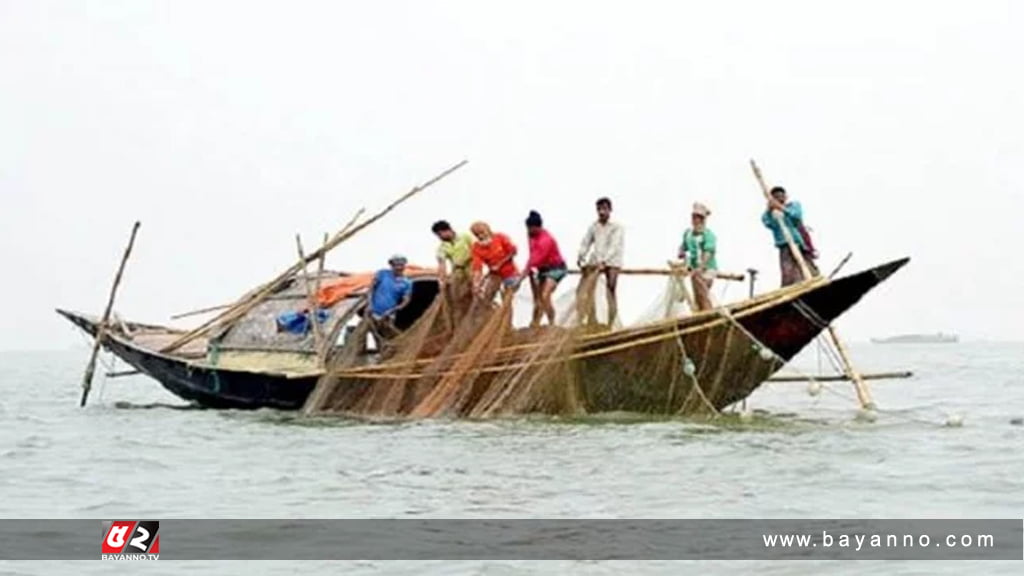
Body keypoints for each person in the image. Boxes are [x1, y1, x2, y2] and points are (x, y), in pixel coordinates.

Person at [576, 197, 624, 327]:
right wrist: (581, 256)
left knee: (611, 288)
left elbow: (614, 247)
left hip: (612, 261)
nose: (602, 212)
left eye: (604, 209)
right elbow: (586, 242)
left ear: (610, 210)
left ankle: (611, 322)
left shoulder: (617, 227)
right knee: (588, 288)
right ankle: (592, 319)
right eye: (599, 209)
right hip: (596, 260)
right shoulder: (594, 226)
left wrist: (604, 261)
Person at [761, 186, 820, 286]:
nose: (780, 199)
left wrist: (782, 209)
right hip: (783, 244)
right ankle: (791, 287)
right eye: (776, 197)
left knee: (806, 265)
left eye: (781, 196)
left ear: (785, 196)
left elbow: (797, 217)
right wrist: (770, 210)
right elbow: (768, 223)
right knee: (788, 271)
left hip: (798, 242)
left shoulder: (793, 205)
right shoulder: (770, 213)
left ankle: (812, 282)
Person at [520, 210, 568, 328]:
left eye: (531, 228)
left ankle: (552, 322)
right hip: (542, 269)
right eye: (528, 228)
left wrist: (521, 276)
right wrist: (531, 272)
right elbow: (532, 253)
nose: (529, 231)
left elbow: (534, 259)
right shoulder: (530, 235)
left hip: (556, 268)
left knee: (545, 295)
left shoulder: (546, 240)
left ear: (539, 227)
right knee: (538, 299)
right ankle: (535, 322)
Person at [677, 202, 718, 311]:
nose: (696, 221)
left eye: (699, 218)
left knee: (702, 293)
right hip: (694, 270)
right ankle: (702, 313)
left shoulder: (708, 235)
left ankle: (709, 315)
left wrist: (701, 267)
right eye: (694, 218)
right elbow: (683, 247)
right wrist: (681, 252)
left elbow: (708, 252)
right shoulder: (688, 234)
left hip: (707, 269)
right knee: (697, 297)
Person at [431, 220, 474, 322]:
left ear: (448, 230)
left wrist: (467, 260)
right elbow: (442, 264)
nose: (440, 237)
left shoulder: (465, 237)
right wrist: (442, 280)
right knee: (458, 298)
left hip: (472, 269)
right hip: (458, 272)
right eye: (437, 235)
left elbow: (477, 250)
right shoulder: (442, 247)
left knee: (475, 296)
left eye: (440, 234)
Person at [469, 221, 520, 304]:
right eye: (477, 235)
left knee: (507, 299)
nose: (481, 236)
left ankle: (505, 314)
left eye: (482, 233)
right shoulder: (476, 247)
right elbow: (477, 267)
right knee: (487, 296)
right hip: (494, 274)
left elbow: (513, 251)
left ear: (488, 230)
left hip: (510, 273)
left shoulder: (500, 237)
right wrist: (476, 283)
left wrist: (500, 264)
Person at [369, 255, 413, 338]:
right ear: (391, 266)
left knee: (387, 336)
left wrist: (392, 311)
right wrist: (369, 305)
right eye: (396, 265)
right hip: (374, 312)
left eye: (401, 265)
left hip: (389, 315)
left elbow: (406, 301)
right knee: (375, 335)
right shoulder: (382, 274)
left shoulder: (406, 282)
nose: (399, 267)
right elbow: (371, 289)